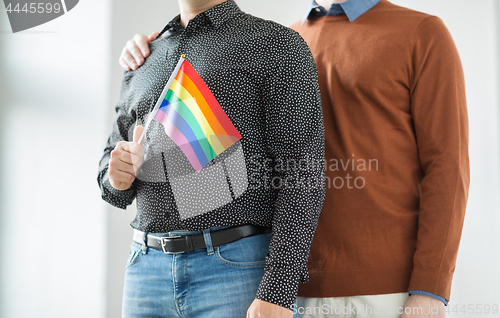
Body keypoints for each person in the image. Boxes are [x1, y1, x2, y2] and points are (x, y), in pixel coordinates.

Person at [120, 0, 470, 317]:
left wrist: (431, 289)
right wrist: (159, 51)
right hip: (280, 285)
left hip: (383, 289)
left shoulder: (421, 33)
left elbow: (447, 168)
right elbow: (231, 168)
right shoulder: (282, 39)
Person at [98, 0, 326, 317]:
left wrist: (278, 290)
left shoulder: (275, 44)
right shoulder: (143, 56)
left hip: (236, 269)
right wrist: (116, 177)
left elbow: (303, 174)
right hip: (145, 270)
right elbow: (111, 169)